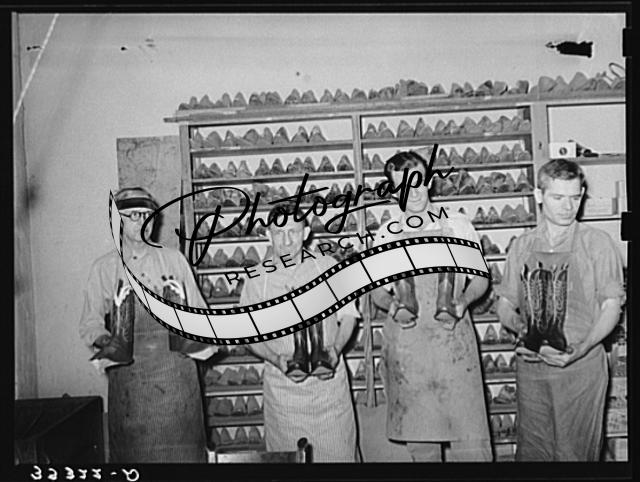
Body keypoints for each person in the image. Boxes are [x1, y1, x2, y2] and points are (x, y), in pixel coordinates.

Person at [495, 158, 625, 461]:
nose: (568, 207)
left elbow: (611, 307)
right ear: (539, 195)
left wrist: (582, 348)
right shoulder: (522, 245)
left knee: (575, 455)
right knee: (533, 453)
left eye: (575, 197)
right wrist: (527, 332)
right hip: (532, 368)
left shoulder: (598, 244)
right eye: (558, 197)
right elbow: (505, 305)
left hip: (580, 368)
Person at [369, 150, 493, 462]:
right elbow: (378, 293)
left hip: (454, 348)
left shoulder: (457, 225)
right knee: (423, 452)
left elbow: (480, 280)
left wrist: (464, 301)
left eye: (418, 182)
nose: (413, 192)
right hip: (410, 352)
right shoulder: (386, 234)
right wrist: (392, 305)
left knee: (472, 448)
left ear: (429, 182)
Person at [79, 187, 216, 463]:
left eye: (147, 214)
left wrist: (196, 335)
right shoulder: (105, 268)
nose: (142, 221)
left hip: (177, 388)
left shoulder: (174, 260)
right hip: (131, 391)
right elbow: (90, 324)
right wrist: (108, 342)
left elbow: (202, 317)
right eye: (133, 215)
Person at [239, 203, 359, 462]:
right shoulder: (256, 279)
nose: (286, 240)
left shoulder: (326, 266)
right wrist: (275, 359)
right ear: (268, 235)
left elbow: (349, 315)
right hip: (283, 394)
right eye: (279, 233)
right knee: (289, 465)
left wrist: (336, 349)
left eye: (293, 232)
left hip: (328, 392)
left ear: (305, 233)